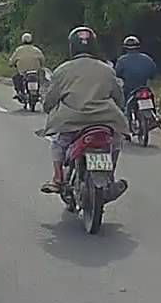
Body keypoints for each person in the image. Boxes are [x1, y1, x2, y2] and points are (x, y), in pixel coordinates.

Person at [39, 27, 129, 197]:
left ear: (72, 46)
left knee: (58, 143)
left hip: (72, 121)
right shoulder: (107, 69)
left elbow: (51, 98)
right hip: (106, 120)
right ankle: (109, 176)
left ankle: (58, 178)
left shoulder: (62, 70)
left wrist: (47, 107)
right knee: (116, 142)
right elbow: (119, 97)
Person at [113, 35, 158, 115]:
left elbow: (117, 74)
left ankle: (126, 116)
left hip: (129, 90)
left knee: (123, 107)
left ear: (125, 48)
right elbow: (153, 74)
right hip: (144, 89)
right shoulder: (147, 59)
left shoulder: (122, 60)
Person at [10, 32, 46, 100]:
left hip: (23, 72)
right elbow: (43, 60)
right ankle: (38, 92)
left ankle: (19, 92)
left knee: (16, 77)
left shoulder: (19, 50)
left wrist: (12, 64)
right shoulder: (36, 50)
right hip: (35, 71)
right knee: (39, 78)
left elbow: (12, 61)